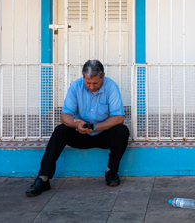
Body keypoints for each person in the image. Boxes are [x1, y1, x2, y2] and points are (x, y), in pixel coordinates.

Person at [26, 60, 130, 196]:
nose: (92, 87)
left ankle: (111, 172)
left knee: (122, 131)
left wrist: (95, 127)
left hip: (103, 133)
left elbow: (119, 118)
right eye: (88, 83)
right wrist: (76, 124)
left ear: (103, 76)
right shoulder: (75, 86)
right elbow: (65, 115)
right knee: (60, 130)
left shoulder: (111, 87)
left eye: (96, 83)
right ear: (83, 77)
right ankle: (43, 178)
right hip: (81, 134)